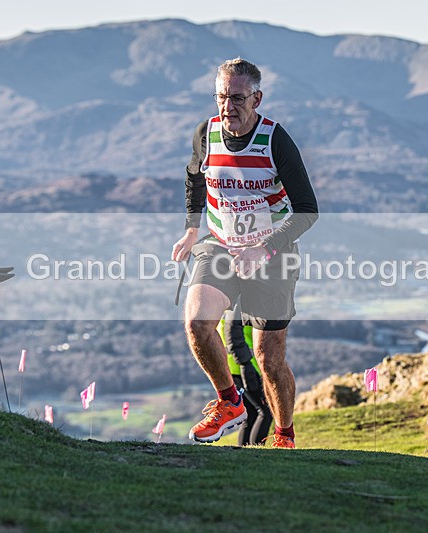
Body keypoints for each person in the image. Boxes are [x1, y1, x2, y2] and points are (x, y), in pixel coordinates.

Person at [172, 58, 318, 449]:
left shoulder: (275, 140)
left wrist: (264, 247)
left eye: (237, 98)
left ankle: (284, 434)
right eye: (221, 96)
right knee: (197, 323)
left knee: (268, 360)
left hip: (273, 253)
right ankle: (228, 402)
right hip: (220, 245)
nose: (227, 106)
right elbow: (194, 177)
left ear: (257, 98)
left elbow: (307, 209)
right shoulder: (207, 133)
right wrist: (191, 229)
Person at [219, 302, 273, 446]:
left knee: (250, 414)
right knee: (266, 411)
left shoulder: (229, 303)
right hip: (246, 367)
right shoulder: (240, 301)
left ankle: (244, 452)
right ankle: (256, 452)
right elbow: (232, 333)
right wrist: (246, 364)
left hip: (233, 366)